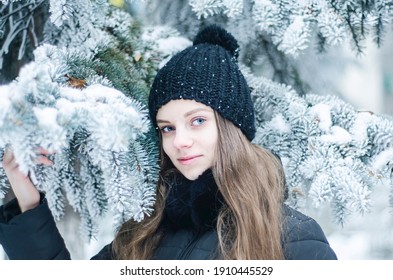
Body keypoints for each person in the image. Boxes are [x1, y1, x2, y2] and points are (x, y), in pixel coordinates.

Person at [0, 25, 337, 260]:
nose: (180, 141)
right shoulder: (143, 232)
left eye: (198, 121)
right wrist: (29, 207)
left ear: (233, 127)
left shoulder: (295, 239)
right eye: (167, 128)